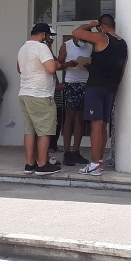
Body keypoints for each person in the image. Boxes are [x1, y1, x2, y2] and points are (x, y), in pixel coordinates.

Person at [72, 15, 128, 176]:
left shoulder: (101, 37)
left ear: (102, 26)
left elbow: (76, 32)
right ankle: (99, 161)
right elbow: (123, 67)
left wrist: (90, 24)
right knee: (103, 125)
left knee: (96, 125)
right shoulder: (122, 43)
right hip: (111, 86)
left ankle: (95, 164)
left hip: (96, 86)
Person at [16, 23, 63, 175]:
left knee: (29, 130)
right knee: (44, 131)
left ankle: (30, 164)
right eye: (48, 36)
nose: (49, 39)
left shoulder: (23, 47)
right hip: (40, 95)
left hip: (25, 93)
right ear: (43, 35)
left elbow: (19, 69)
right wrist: (56, 63)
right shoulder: (41, 47)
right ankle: (42, 165)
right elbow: (51, 68)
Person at [57, 36, 92, 166]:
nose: (85, 42)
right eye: (83, 39)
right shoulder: (66, 45)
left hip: (85, 84)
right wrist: (68, 64)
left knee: (80, 119)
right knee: (69, 118)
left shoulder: (89, 47)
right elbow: (58, 65)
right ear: (77, 36)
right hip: (71, 84)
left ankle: (76, 151)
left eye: (87, 40)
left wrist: (89, 67)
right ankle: (67, 153)